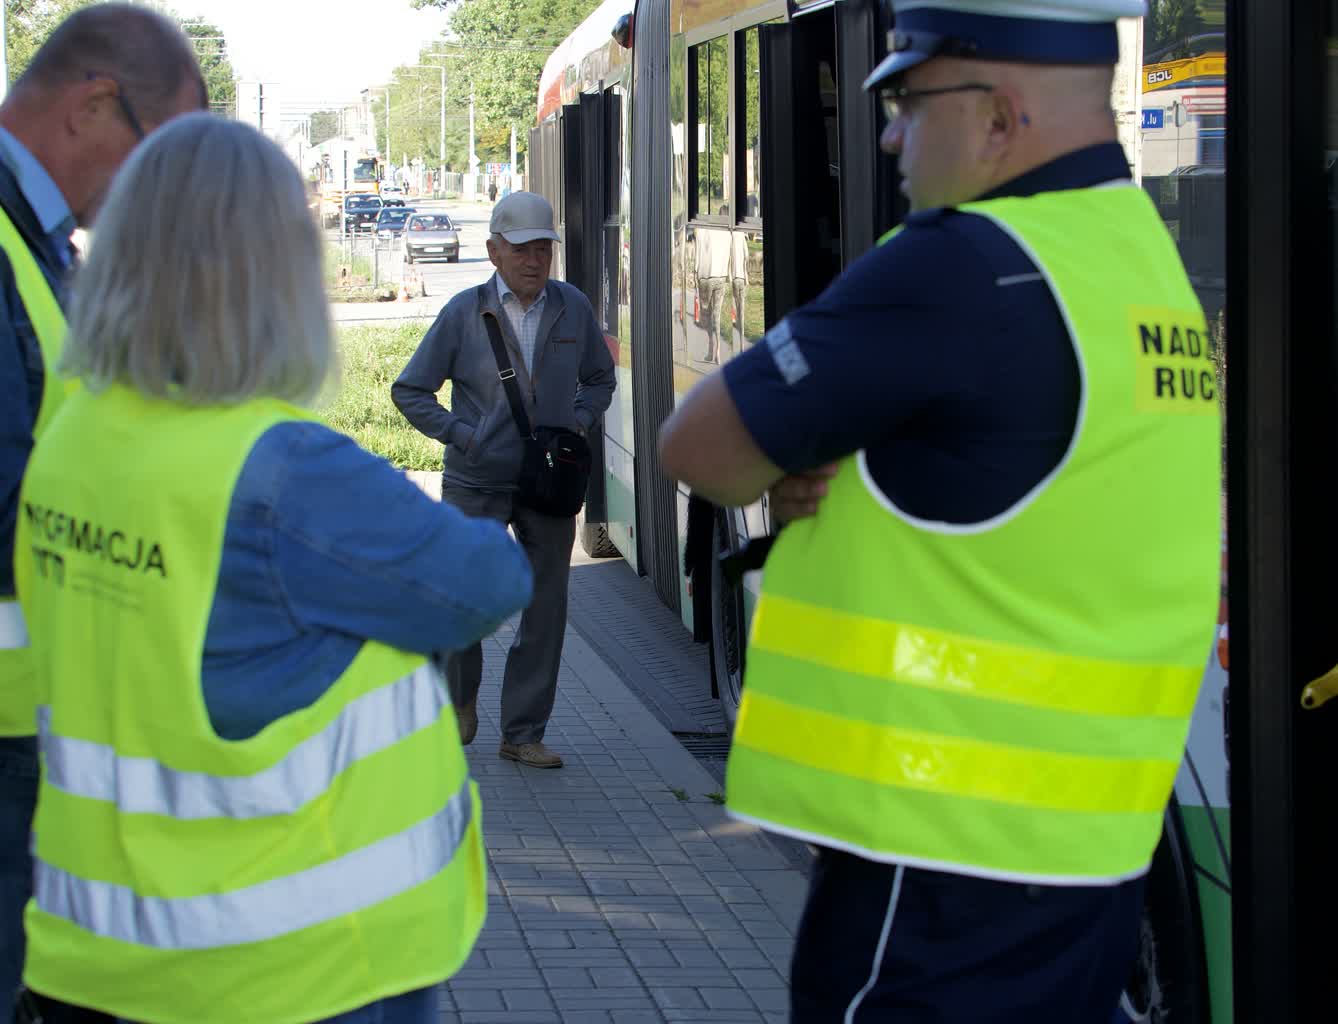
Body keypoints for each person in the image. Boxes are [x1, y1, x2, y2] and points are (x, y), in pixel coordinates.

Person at [658, 1, 1221, 1019]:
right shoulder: (1140, 261)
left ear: (1000, 116)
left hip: (935, 867)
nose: (885, 134)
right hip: (1091, 851)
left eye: (909, 102)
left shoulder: (959, 264)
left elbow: (697, 447)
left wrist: (802, 455)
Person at [13, 114, 533, 1023]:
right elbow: (486, 582)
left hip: (93, 961)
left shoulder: (70, 442)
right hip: (300, 971)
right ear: (277, 281)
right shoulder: (284, 472)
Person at [0, 5, 207, 1007]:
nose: (153, 202)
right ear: (92, 105)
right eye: (154, 163)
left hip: (43, 731)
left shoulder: (37, 245)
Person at [393, 191, 615, 770]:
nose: (534, 260)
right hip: (475, 479)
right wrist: (462, 435)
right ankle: (461, 697)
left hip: (548, 484)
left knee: (545, 607)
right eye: (521, 249)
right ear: (494, 251)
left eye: (543, 248)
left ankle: (523, 732)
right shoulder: (464, 313)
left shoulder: (573, 308)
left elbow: (599, 378)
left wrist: (579, 423)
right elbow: (410, 389)